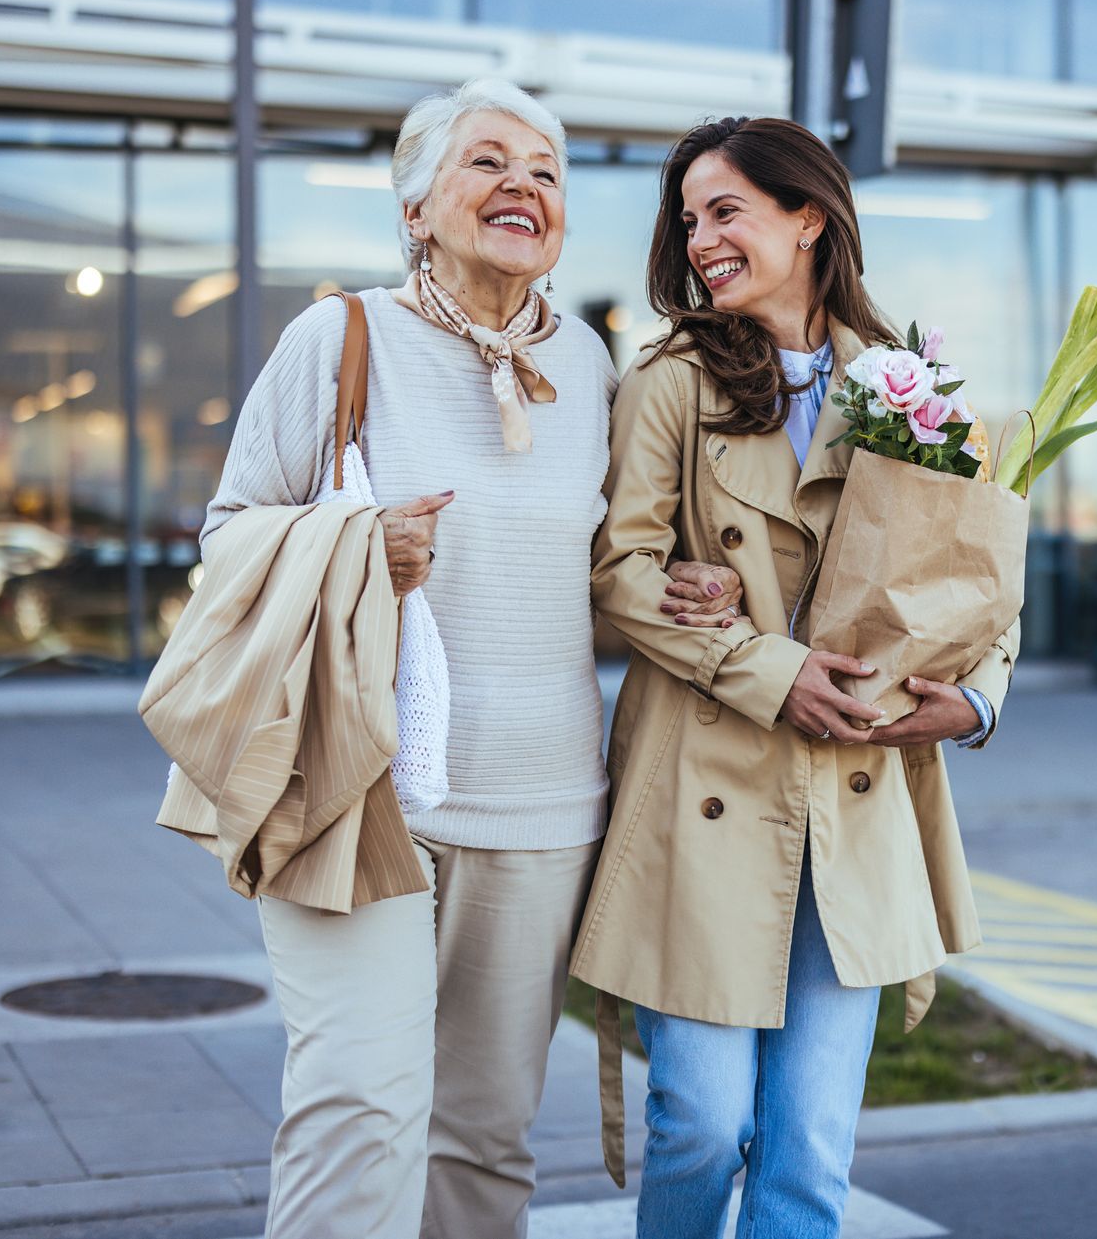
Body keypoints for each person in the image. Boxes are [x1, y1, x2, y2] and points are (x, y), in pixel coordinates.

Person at [199, 79, 738, 1239]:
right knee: (360, 1113)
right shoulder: (340, 339)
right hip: (358, 785)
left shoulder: (594, 368)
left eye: (545, 172)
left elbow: (602, 571)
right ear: (417, 209)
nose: (522, 188)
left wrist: (681, 583)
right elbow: (226, 538)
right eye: (488, 162)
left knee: (486, 1142)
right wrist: (355, 547)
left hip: (545, 801)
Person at [572, 116, 1019, 1239]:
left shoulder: (907, 385)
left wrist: (975, 702)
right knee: (701, 1125)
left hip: (855, 798)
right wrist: (767, 668)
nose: (701, 240)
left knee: (811, 1153)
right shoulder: (671, 379)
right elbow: (618, 571)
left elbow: (979, 573)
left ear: (808, 216)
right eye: (689, 220)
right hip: (705, 788)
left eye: (726, 211)